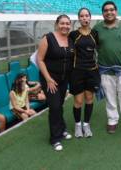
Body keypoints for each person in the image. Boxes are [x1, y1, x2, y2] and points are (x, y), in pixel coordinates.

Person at [93, 1, 121, 135]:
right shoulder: (97, 29)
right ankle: (112, 120)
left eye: (111, 10)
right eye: (106, 10)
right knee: (110, 97)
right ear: (103, 13)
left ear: (116, 11)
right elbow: (94, 46)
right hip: (105, 69)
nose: (109, 12)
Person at [37, 15, 74, 151]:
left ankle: (62, 128)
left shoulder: (70, 40)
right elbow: (39, 60)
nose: (65, 26)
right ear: (57, 24)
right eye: (62, 23)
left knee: (60, 105)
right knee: (54, 107)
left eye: (67, 24)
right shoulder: (48, 38)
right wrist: (47, 79)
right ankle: (55, 138)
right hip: (50, 80)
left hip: (64, 79)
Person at [69, 8, 100, 138]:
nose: (84, 18)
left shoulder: (95, 33)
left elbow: (99, 50)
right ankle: (77, 125)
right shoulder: (73, 34)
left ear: (90, 18)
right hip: (77, 72)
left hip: (92, 72)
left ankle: (86, 125)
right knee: (78, 101)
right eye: (82, 16)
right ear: (79, 18)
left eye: (86, 16)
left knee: (89, 99)